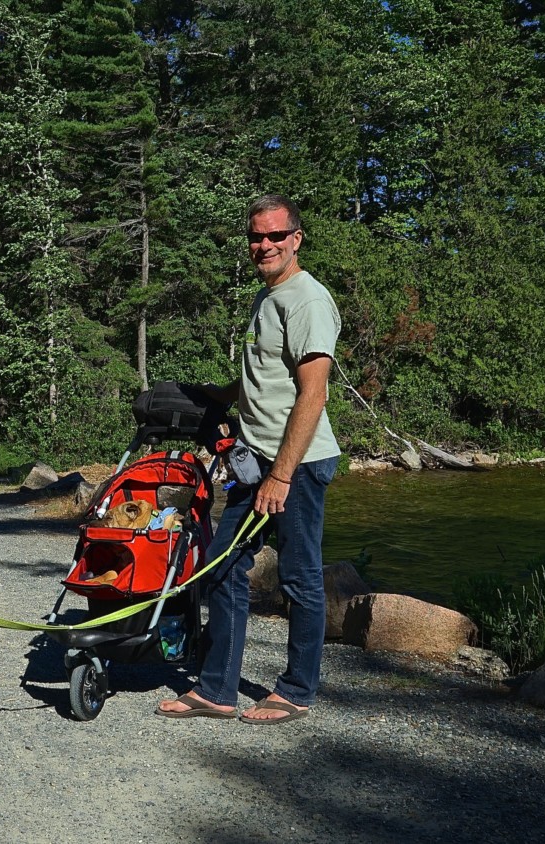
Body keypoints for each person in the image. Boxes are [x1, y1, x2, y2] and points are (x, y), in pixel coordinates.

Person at [156, 194, 341, 724]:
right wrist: (216, 396)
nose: (264, 245)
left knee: (300, 579)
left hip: (296, 465)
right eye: (256, 237)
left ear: (296, 239)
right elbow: (264, 377)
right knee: (223, 567)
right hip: (254, 457)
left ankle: (297, 690)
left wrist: (281, 475)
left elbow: (313, 394)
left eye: (275, 236)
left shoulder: (306, 300)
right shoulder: (269, 297)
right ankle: (217, 690)